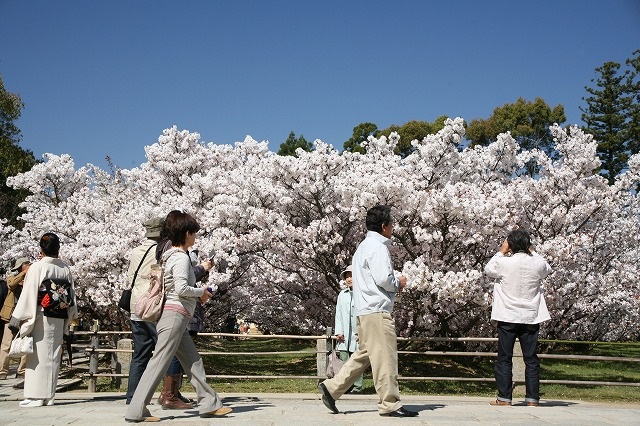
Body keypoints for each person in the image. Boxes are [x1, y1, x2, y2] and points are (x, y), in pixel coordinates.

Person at [125, 211, 232, 422]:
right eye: (193, 232)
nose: (195, 237)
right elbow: (182, 288)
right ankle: (136, 410)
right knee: (158, 363)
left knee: (193, 362)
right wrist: (201, 292)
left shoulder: (168, 255)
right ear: (185, 233)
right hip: (175, 316)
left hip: (177, 317)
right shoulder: (181, 257)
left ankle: (209, 403)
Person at [319, 205, 418, 418]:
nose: (393, 228)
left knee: (364, 354)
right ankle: (389, 403)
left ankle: (332, 387)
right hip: (377, 311)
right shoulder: (378, 247)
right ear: (384, 226)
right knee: (385, 359)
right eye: (391, 224)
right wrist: (398, 282)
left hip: (364, 311)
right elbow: (384, 279)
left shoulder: (362, 247)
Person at [484, 229, 552, 407]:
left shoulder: (504, 263)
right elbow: (547, 268)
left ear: (510, 245)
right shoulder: (536, 263)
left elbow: (488, 269)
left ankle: (504, 398)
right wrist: (533, 250)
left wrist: (501, 251)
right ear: (528, 245)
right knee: (531, 358)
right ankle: (532, 399)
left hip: (508, 316)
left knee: (504, 357)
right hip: (530, 316)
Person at [12, 233, 78, 408]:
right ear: (58, 248)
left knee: (39, 355)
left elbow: (29, 292)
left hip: (42, 315)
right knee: (54, 355)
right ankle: (49, 396)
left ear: (41, 248)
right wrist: (71, 315)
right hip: (59, 316)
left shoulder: (37, 267)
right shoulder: (65, 268)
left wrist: (18, 316)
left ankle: (37, 396)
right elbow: (71, 295)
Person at [124, 217, 164, 405]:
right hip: (152, 308)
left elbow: (131, 277)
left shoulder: (135, 251)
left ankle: (132, 396)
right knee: (166, 350)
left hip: (135, 307)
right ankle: (169, 394)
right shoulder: (160, 251)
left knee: (140, 354)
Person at [334, 265, 363, 393]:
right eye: (347, 276)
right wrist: (339, 332)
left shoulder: (362, 293)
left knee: (357, 361)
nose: (349, 279)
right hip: (344, 335)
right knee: (344, 362)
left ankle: (357, 387)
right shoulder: (342, 295)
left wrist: (363, 331)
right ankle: (345, 386)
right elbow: (338, 314)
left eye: (351, 275)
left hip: (357, 334)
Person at [0, 257, 30, 380]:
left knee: (26, 344)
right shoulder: (12, 278)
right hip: (11, 315)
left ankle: (22, 371)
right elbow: (11, 284)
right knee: (6, 344)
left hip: (25, 315)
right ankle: (2, 371)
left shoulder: (30, 279)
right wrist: (23, 273)